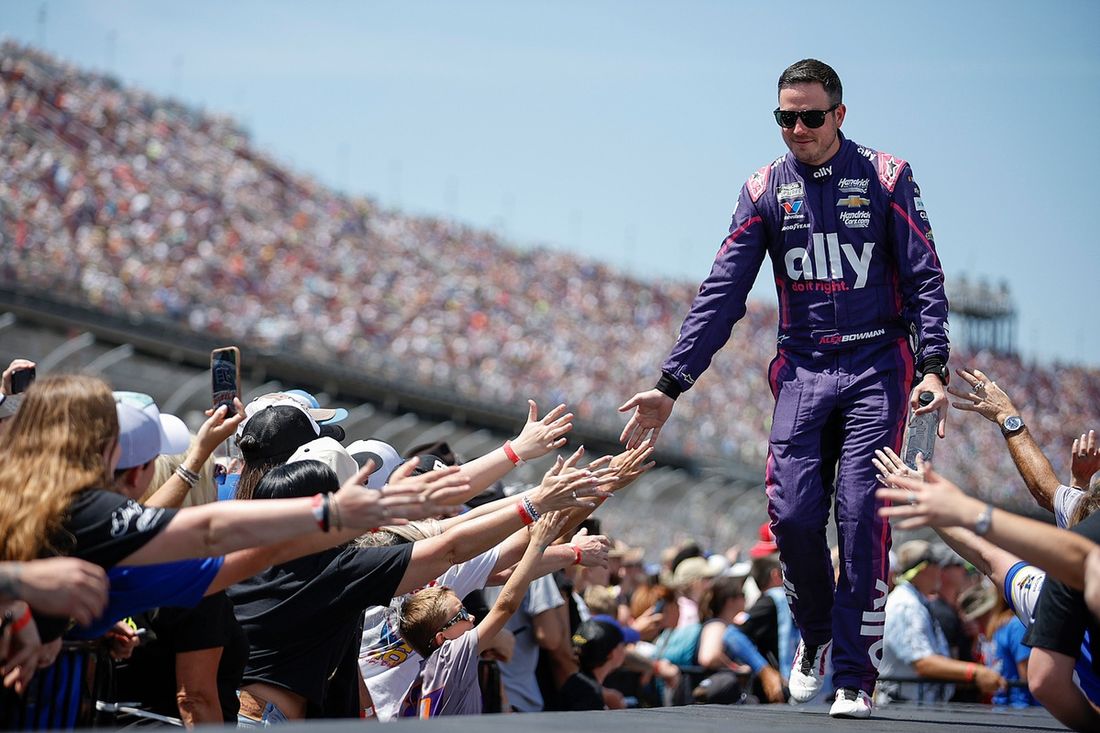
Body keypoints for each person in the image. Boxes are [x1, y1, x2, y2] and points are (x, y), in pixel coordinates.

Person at [619, 58, 949, 718]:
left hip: (877, 368)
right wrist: (671, 383)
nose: (798, 129)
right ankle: (817, 634)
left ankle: (854, 676)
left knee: (862, 515)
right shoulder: (764, 188)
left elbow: (924, 276)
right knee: (792, 517)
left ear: (840, 115)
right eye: (785, 118)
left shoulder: (887, 176)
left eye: (811, 117)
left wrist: (933, 365)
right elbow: (722, 291)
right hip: (802, 369)